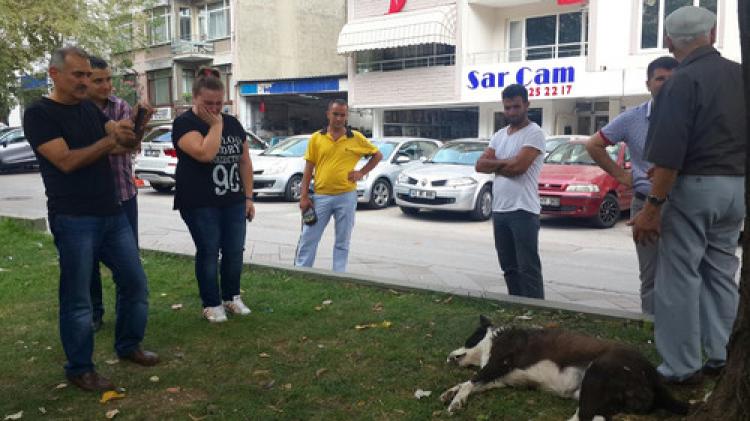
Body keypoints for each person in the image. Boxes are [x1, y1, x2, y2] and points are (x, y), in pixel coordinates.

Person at [23, 46, 158, 392]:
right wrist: (109, 139)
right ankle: (80, 368)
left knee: (135, 283)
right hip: (73, 217)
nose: (86, 82)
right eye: (78, 75)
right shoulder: (39, 114)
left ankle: (129, 346)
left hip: (111, 211)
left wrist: (134, 129)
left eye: (88, 75)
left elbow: (120, 146)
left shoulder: (88, 109)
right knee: (78, 297)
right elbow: (65, 160)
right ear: (55, 74)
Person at [633, 6, 746, 385]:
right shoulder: (740, 75)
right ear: (712, 35)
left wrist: (652, 207)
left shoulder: (680, 81)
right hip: (736, 187)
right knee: (720, 272)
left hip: (694, 187)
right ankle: (722, 356)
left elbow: (669, 153)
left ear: (668, 41)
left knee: (678, 277)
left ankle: (680, 366)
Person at [585, 56, 678, 315]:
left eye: (674, 79)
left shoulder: (697, 117)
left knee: (687, 273)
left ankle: (685, 333)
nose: (667, 84)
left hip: (686, 204)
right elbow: (594, 145)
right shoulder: (632, 118)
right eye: (660, 78)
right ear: (648, 83)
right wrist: (623, 176)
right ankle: (651, 329)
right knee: (651, 275)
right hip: (645, 205)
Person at [172, 67, 255, 323]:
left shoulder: (233, 123)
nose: (215, 108)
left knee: (234, 250)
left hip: (232, 199)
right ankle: (211, 303)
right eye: (208, 103)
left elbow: (244, 161)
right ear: (195, 98)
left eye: (219, 103)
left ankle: (231, 297)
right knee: (208, 250)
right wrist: (216, 125)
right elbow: (205, 153)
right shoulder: (185, 123)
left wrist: (249, 198)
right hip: (199, 201)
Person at [475, 84, 546, 299]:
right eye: (507, 108)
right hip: (500, 211)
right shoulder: (499, 135)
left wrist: (495, 164)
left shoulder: (535, 133)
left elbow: (519, 168)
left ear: (527, 105)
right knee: (509, 267)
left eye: (516, 107)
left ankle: (536, 312)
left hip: (524, 210)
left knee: (528, 269)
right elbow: (479, 165)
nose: (511, 112)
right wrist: (507, 163)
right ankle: (516, 307)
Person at [295, 99, 382, 272]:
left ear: (346, 116)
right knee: (308, 237)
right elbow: (308, 169)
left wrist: (361, 173)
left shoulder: (355, 138)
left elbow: (377, 155)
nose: (339, 118)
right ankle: (302, 272)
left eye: (342, 115)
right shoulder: (316, 138)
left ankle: (339, 275)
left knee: (343, 240)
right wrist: (304, 196)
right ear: (328, 114)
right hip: (320, 197)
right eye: (335, 114)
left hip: (346, 197)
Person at [87, 56, 139, 332]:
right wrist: (113, 143)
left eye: (108, 79)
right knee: (89, 262)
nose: (106, 85)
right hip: (91, 201)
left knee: (128, 263)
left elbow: (130, 145)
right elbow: (106, 147)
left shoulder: (121, 106)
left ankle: (126, 312)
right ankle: (95, 312)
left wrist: (135, 129)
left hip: (124, 194)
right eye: (99, 80)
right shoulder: (78, 110)